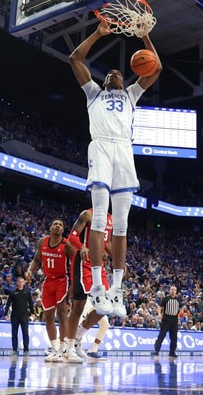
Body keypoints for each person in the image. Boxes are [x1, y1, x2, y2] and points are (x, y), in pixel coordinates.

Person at [69, 20, 162, 318]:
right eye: (110, 73)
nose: (114, 75)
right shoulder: (93, 93)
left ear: (126, 80)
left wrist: (146, 38)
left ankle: (117, 290)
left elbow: (157, 68)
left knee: (120, 224)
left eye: (119, 74)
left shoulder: (132, 94)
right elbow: (75, 59)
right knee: (98, 217)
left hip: (124, 150)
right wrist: (98, 33)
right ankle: (97, 286)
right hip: (102, 147)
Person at [25, 218, 75, 362]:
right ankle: (54, 349)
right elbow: (36, 260)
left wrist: (73, 285)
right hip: (48, 281)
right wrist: (29, 270)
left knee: (62, 312)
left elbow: (75, 265)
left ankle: (63, 348)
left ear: (63, 230)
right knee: (48, 316)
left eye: (60, 224)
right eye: (55, 224)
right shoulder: (42, 242)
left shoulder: (67, 245)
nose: (58, 226)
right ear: (50, 228)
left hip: (62, 280)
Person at [66, 208, 113, 360]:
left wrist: (119, 261)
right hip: (83, 261)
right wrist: (81, 246)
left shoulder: (110, 219)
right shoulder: (87, 214)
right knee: (79, 305)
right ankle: (68, 346)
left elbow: (107, 243)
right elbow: (72, 236)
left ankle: (78, 337)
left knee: (105, 305)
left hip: (99, 265)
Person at [153, 285, 184, 358]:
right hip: (166, 319)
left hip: (174, 320)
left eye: (174, 289)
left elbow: (182, 308)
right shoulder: (166, 298)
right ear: (170, 290)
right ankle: (157, 350)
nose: (173, 291)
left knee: (174, 337)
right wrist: (159, 314)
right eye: (172, 289)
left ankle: (172, 351)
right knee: (161, 335)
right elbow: (160, 307)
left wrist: (180, 314)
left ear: (176, 291)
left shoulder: (178, 299)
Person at [6, 277, 32, 355]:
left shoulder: (27, 293)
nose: (20, 283)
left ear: (24, 283)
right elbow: (8, 304)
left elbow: (31, 304)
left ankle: (26, 349)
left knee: (25, 333)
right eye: (19, 282)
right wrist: (5, 314)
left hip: (24, 315)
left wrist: (32, 313)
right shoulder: (13, 292)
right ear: (17, 283)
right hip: (14, 316)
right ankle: (14, 349)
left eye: (22, 282)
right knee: (14, 333)